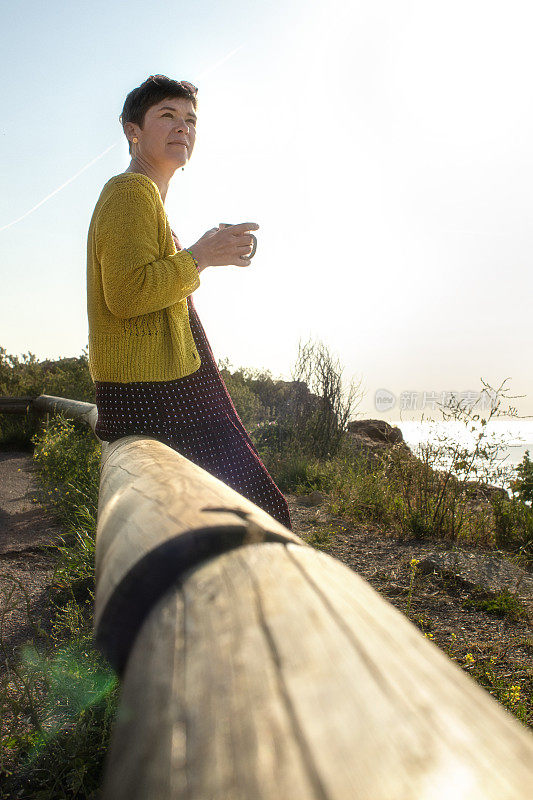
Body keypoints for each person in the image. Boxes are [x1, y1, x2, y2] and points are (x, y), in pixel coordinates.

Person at [86, 74, 292, 530]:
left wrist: (200, 254)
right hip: (158, 391)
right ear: (131, 130)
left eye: (190, 120)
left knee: (215, 518)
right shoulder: (130, 191)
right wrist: (200, 256)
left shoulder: (148, 199)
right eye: (167, 116)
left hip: (164, 385)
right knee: (260, 516)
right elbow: (126, 294)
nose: (183, 128)